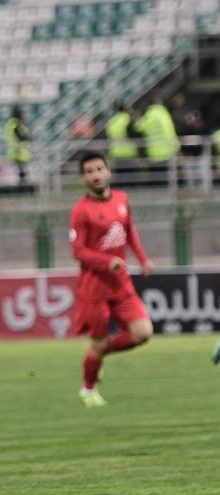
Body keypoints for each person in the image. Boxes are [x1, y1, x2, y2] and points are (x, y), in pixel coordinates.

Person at [70, 151, 154, 407]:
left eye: (99, 169)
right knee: (98, 341)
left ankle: (96, 356)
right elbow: (78, 251)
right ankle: (87, 390)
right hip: (94, 288)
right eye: (89, 172)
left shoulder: (121, 199)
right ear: (83, 179)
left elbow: (129, 231)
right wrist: (107, 261)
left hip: (120, 284)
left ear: (108, 172)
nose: (95, 175)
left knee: (143, 333)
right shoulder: (81, 211)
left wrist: (142, 258)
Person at [135, 96, 179, 184]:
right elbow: (168, 130)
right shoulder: (162, 113)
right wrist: (176, 146)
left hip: (152, 152)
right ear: (159, 102)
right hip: (165, 151)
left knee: (155, 179)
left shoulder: (147, 115)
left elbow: (139, 127)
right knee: (166, 179)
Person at [105, 101, 140, 179]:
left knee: (120, 177)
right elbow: (136, 132)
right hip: (128, 153)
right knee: (130, 177)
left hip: (116, 153)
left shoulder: (111, 121)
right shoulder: (128, 120)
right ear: (125, 109)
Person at [5, 105, 31, 187]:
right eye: (21, 113)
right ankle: (21, 187)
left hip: (18, 152)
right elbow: (21, 136)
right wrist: (27, 137)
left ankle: (21, 186)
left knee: (21, 173)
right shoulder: (15, 123)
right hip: (18, 152)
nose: (23, 115)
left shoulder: (13, 123)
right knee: (21, 173)